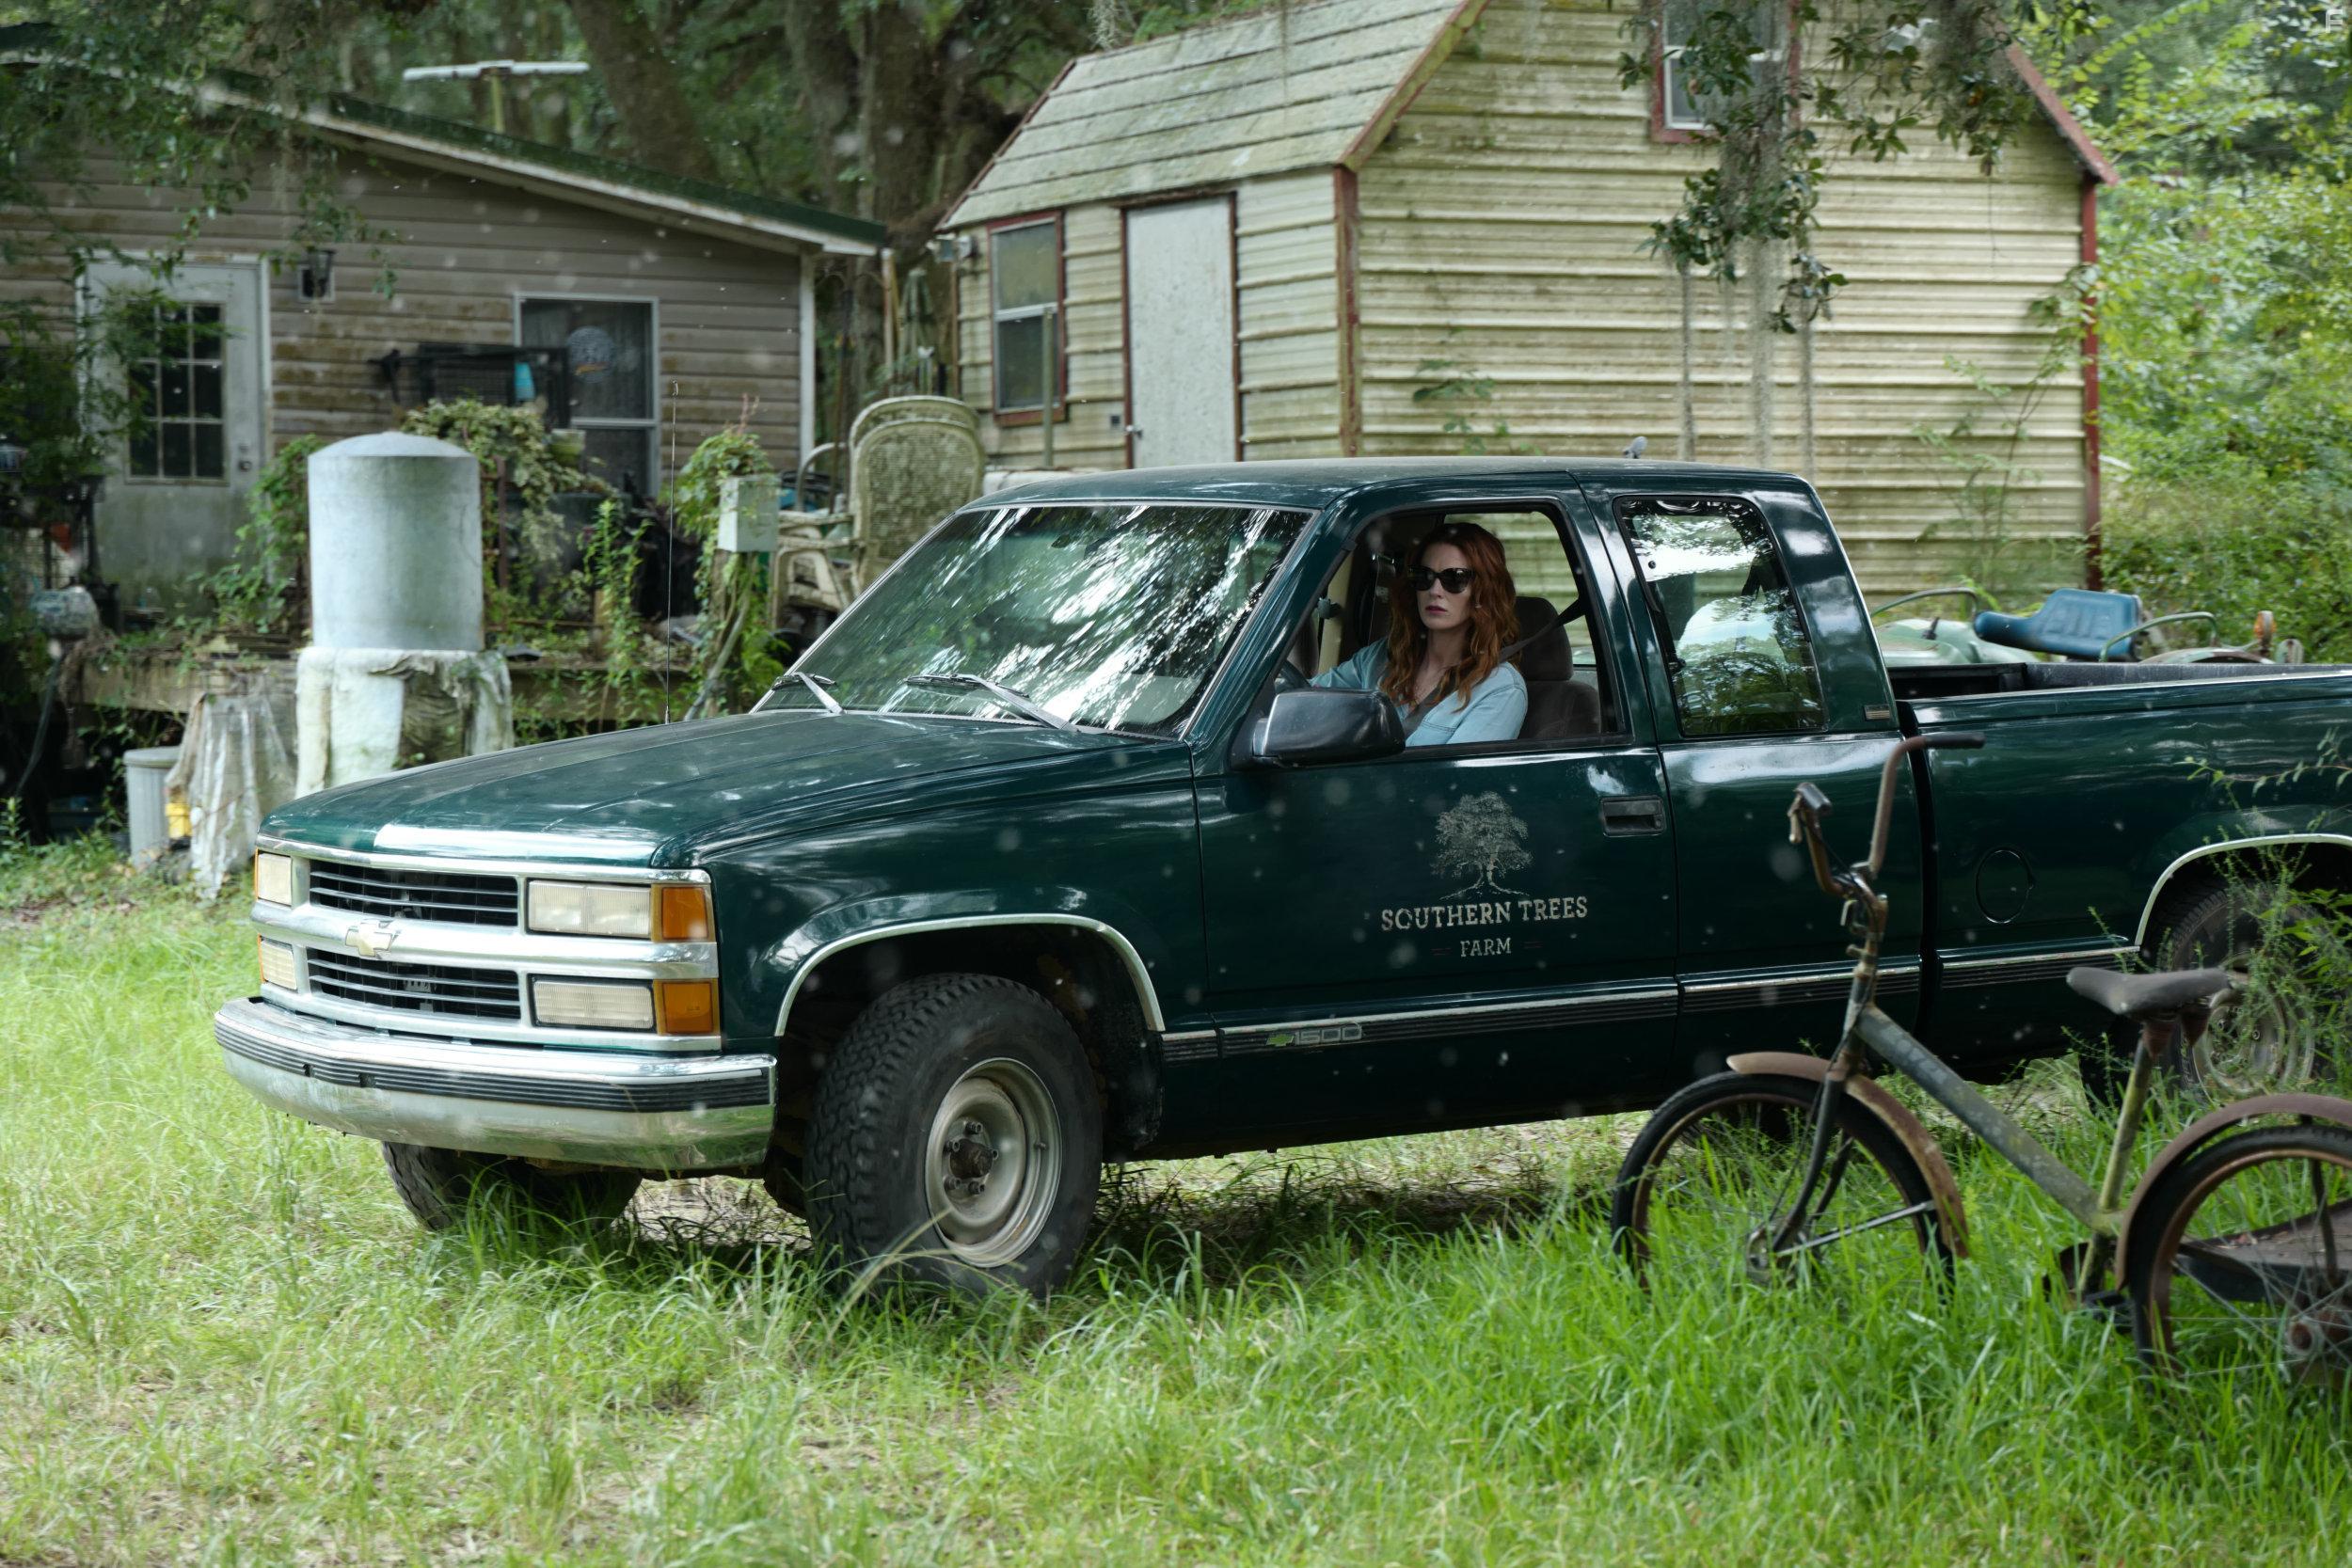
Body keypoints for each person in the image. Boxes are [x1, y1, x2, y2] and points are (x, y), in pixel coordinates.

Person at [1312, 520, 1527, 746]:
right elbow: (1307, 700)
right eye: (1423, 576)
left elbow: (1455, 780)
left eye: (1454, 578)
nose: (1435, 591)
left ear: (1484, 592)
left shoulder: (1500, 689)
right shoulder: (1381, 657)